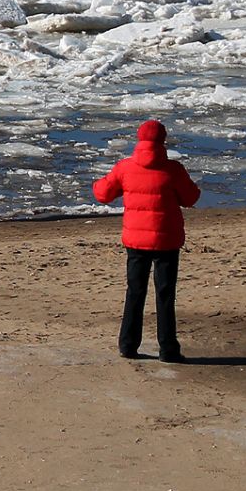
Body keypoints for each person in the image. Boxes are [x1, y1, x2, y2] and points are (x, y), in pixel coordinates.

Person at [92, 120, 200, 363]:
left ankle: (128, 345)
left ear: (139, 139)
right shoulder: (173, 169)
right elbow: (191, 197)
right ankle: (168, 349)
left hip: (136, 241)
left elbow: (102, 193)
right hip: (167, 240)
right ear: (163, 140)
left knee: (135, 292)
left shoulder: (126, 168)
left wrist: (108, 184)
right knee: (165, 294)